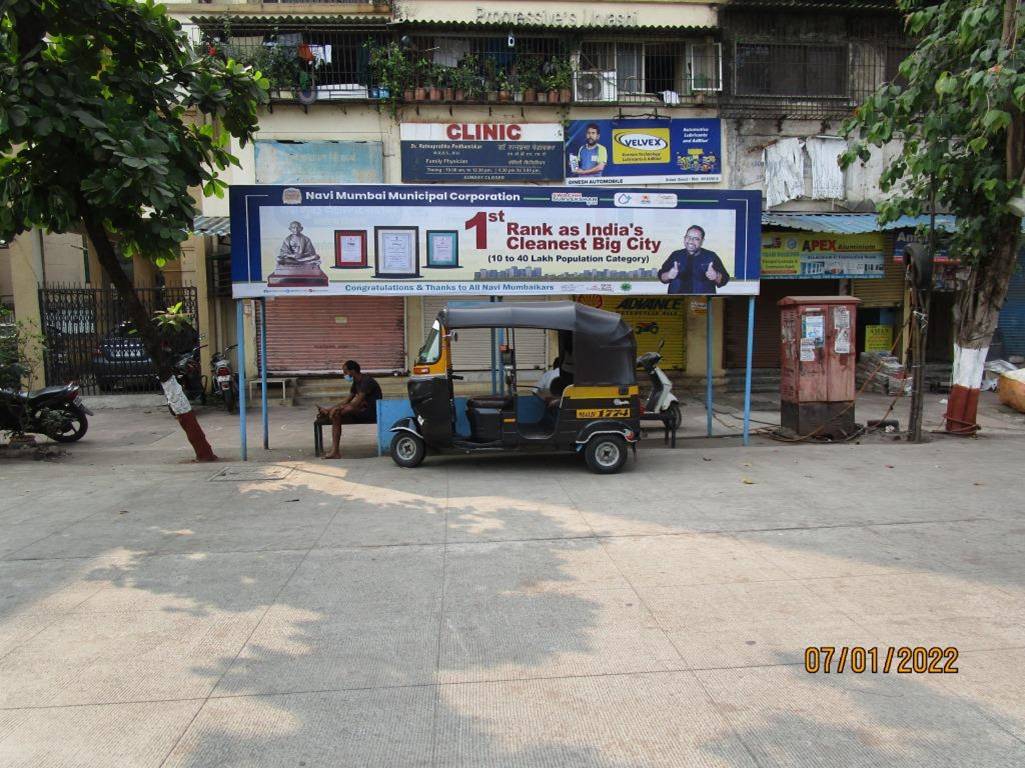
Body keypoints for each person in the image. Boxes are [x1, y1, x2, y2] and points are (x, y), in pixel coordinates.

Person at [318, 360, 382, 459]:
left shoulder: (366, 381)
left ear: (353, 371)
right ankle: (335, 452)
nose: (344, 374)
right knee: (337, 415)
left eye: (345, 371)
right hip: (361, 410)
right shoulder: (356, 383)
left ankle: (329, 414)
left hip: (372, 412)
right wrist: (331, 408)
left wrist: (335, 409)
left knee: (344, 410)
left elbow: (354, 404)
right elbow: (346, 401)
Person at [657, 225, 731, 295]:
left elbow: (724, 279)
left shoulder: (711, 256)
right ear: (684, 238)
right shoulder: (675, 255)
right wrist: (668, 275)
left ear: (702, 241)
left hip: (702, 302)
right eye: (688, 237)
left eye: (696, 239)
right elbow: (661, 276)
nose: (691, 241)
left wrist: (716, 276)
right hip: (677, 302)